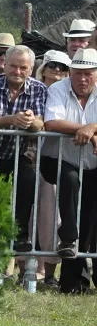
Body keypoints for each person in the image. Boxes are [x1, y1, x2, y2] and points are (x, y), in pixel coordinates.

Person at [0, 45, 47, 253]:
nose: (17, 71)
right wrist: (12, 120)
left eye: (22, 67)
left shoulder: (38, 88)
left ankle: (18, 234)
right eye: (13, 66)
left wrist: (30, 121)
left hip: (18, 154)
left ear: (31, 68)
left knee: (27, 181)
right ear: (4, 65)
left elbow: (40, 124)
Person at [40, 48, 97, 293]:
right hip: (58, 160)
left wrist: (92, 127)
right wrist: (84, 129)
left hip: (92, 164)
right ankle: (68, 235)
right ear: (70, 73)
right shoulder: (57, 89)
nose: (82, 79)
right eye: (77, 73)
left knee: (91, 220)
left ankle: (75, 282)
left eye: (88, 74)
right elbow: (52, 122)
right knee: (70, 179)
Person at [33, 50, 72, 287]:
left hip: (55, 161)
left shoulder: (67, 95)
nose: (57, 71)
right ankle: (26, 271)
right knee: (27, 218)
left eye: (62, 68)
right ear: (43, 69)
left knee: (51, 218)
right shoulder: (36, 91)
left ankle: (48, 273)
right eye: (53, 66)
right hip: (29, 161)